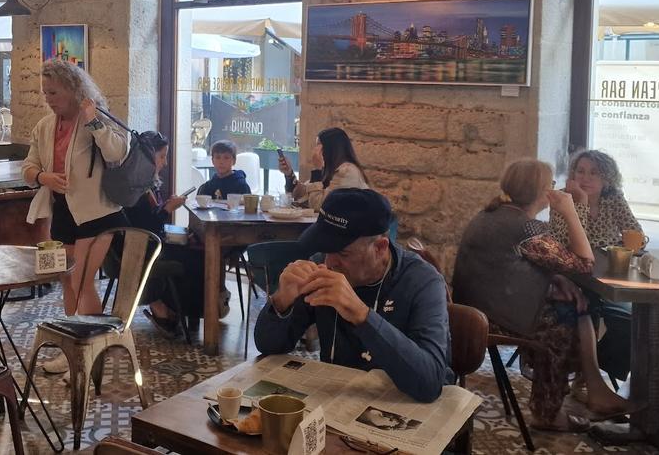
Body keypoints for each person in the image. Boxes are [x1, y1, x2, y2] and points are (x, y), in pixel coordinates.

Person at [452, 159, 634, 432]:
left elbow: (516, 265)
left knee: (578, 306)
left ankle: (595, 389)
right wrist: (570, 212)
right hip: (489, 316)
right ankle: (547, 414)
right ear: (540, 192)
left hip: (474, 306)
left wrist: (556, 279)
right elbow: (585, 263)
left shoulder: (494, 213)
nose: (554, 189)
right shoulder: (525, 227)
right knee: (564, 317)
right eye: (550, 184)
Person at [254, 188, 451, 402]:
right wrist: (282, 301)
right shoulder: (322, 267)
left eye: (343, 253)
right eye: (325, 249)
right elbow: (268, 347)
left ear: (380, 248)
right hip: (337, 400)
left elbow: (430, 382)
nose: (329, 262)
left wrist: (361, 315)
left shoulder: (422, 281)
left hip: (402, 403)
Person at [22, 59, 129, 374]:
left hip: (97, 213)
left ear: (73, 90)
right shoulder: (45, 126)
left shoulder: (94, 117)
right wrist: (43, 177)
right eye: (45, 93)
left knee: (82, 282)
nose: (48, 99)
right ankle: (73, 347)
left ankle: (90, 352)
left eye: (54, 93)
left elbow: (117, 153)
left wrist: (93, 120)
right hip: (63, 212)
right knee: (67, 281)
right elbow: (28, 167)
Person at [548, 150, 638, 383]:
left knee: (630, 321)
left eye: (594, 173)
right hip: (572, 275)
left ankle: (595, 369)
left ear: (607, 178)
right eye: (580, 171)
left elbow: (635, 233)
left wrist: (626, 245)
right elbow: (573, 245)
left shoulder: (613, 198)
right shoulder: (562, 199)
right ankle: (587, 372)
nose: (585, 178)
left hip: (608, 275)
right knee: (588, 312)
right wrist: (582, 202)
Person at [123, 131, 211, 337]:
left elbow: (152, 219)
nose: (165, 162)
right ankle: (172, 307)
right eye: (162, 156)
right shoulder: (134, 187)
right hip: (141, 248)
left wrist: (166, 210)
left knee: (198, 247)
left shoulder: (149, 183)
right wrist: (168, 209)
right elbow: (145, 226)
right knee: (195, 259)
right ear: (146, 157)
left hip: (154, 241)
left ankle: (185, 310)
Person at [280, 127, 369, 211]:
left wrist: (317, 170)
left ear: (330, 148)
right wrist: (289, 174)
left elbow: (318, 205)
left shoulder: (347, 172)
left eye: (318, 144)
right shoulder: (330, 169)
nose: (315, 149)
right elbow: (301, 193)